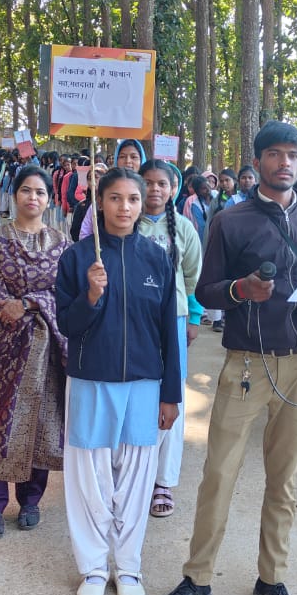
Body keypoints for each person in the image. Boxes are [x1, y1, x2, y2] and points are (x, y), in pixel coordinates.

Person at [153, 121, 297, 595]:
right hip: (247, 364)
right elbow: (206, 290)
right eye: (275, 154)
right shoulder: (230, 222)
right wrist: (239, 291)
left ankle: (271, 580)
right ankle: (198, 578)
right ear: (257, 161)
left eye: (293, 155)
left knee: (285, 480)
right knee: (219, 473)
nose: (285, 163)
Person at [55, 168, 181, 595]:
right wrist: (90, 296)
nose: (124, 207)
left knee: (135, 479)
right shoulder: (76, 259)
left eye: (132, 199)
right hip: (91, 380)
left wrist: (171, 393)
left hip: (144, 384)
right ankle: (92, 566)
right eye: (114, 198)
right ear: (99, 202)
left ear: (143, 202)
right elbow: (67, 326)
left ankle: (127, 566)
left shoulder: (157, 257)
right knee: (89, 477)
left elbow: (169, 331)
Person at [0, 167, 69, 539]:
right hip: (2, 349)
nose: (32, 198)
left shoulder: (60, 243)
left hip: (47, 352)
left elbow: (64, 294)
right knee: (0, 424)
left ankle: (31, 500)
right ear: (14, 197)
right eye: (26, 190)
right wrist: (12, 308)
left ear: (48, 199)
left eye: (40, 192)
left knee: (40, 424)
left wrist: (29, 301)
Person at [138, 160, 203, 519]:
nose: (154, 190)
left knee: (170, 395)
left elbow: (193, 276)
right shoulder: (126, 222)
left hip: (172, 320)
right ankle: (136, 472)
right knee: (138, 392)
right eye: (147, 183)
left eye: (162, 183)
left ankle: (163, 479)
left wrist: (192, 318)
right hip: (133, 321)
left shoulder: (184, 229)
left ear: (173, 188)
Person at [79, 139, 146, 238]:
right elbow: (85, 231)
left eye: (133, 157)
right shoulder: (105, 188)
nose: (128, 161)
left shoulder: (152, 195)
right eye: (123, 156)